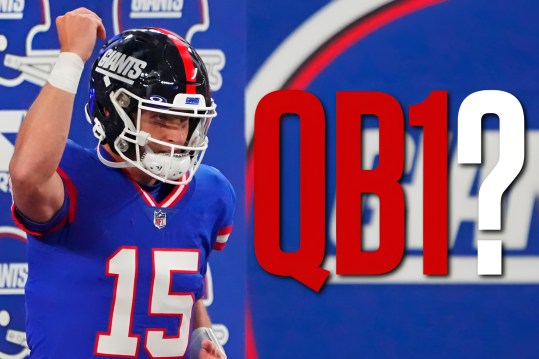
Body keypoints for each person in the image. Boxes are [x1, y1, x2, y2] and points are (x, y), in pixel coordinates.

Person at [8, 8, 234, 359]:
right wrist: (71, 59)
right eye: (161, 117)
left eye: (185, 121)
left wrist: (199, 335)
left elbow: (183, 288)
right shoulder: (69, 177)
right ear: (113, 110)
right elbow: (25, 175)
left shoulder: (211, 193)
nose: (175, 135)